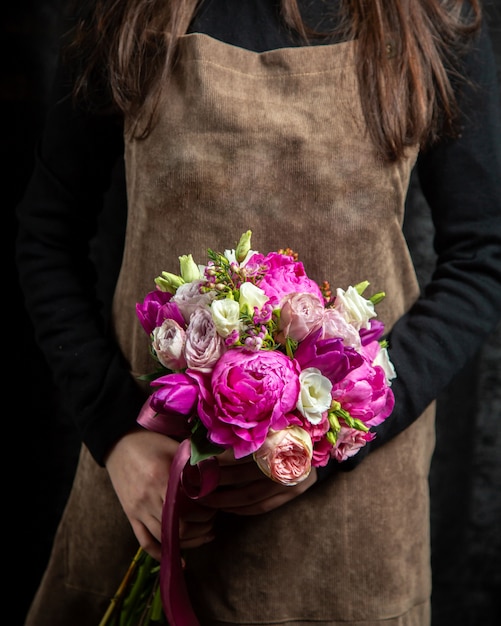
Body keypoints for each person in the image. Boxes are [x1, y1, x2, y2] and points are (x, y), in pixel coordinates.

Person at [16, 0, 501, 625]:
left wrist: (336, 434)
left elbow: (483, 254)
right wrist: (117, 434)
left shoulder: (432, 15)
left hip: (349, 534)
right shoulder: (126, 10)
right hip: (153, 505)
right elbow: (47, 235)